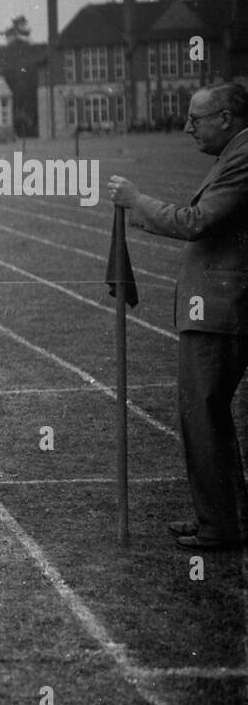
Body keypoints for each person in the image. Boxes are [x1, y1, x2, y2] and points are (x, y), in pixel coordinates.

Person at [108, 82, 248, 550]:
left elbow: (196, 221)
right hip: (217, 306)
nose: (188, 127)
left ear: (227, 118)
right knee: (209, 415)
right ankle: (225, 517)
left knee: (201, 414)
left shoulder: (243, 156)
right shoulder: (234, 153)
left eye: (198, 118)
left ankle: (219, 526)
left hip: (221, 309)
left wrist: (137, 201)